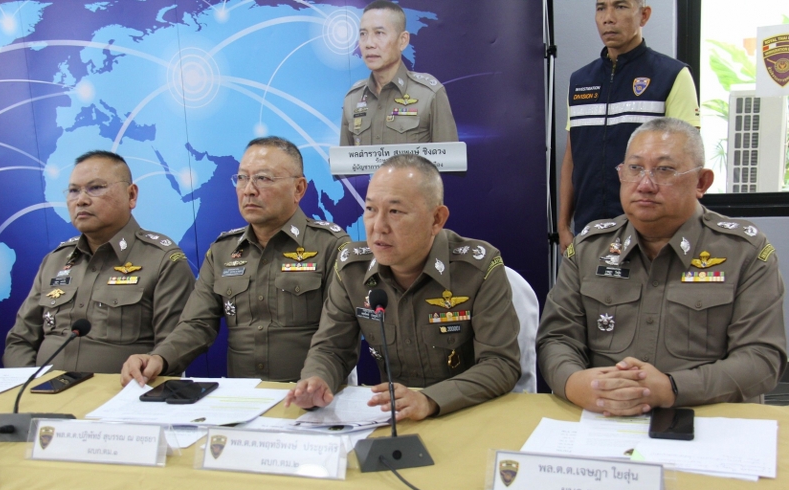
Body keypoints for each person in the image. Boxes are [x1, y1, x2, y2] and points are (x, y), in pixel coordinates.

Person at [538, 118, 787, 416]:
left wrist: (672, 389)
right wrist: (574, 382)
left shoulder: (743, 252)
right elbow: (557, 338)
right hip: (603, 417)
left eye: (664, 170)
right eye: (635, 168)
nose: (645, 185)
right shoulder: (590, 249)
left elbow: (761, 358)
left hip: (708, 419)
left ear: (701, 182)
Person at [285, 154, 521, 420]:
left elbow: (500, 364)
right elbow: (331, 349)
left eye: (395, 212)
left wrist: (430, 400)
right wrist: (316, 379)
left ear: (436, 219)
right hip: (393, 418)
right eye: (371, 209)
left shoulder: (478, 268)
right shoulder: (352, 269)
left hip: (465, 413)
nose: (378, 227)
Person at [121, 137, 350, 385]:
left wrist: (317, 380)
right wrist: (159, 358)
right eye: (242, 178)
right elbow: (197, 324)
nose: (249, 189)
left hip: (312, 391)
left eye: (263, 178)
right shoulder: (223, 251)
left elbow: (339, 333)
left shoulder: (330, 245)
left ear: (299, 189)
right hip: (244, 397)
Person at [3, 151, 195, 373]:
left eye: (95, 188)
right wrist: (28, 384)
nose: (81, 200)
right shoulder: (55, 261)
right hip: (40, 390)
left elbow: (174, 345)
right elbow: (20, 340)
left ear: (131, 195)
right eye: (73, 191)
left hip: (123, 391)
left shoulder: (162, 259)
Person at [558, 0, 700, 253]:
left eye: (620, 6)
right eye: (601, 8)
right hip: (588, 231)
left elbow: (688, 162)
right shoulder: (580, 81)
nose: (608, 18)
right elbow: (572, 157)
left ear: (644, 15)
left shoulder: (672, 75)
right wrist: (563, 225)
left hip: (651, 233)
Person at [340, 0, 458, 146]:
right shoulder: (353, 99)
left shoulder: (429, 94)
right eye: (363, 34)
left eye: (379, 33)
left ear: (403, 40)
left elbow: (450, 159)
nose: (369, 43)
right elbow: (344, 160)